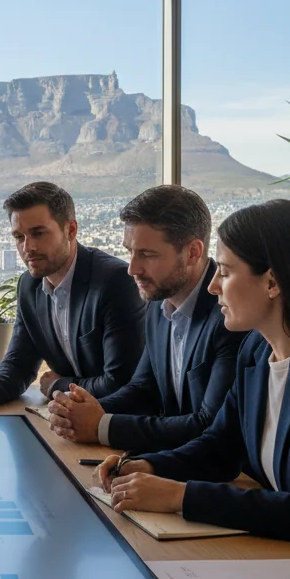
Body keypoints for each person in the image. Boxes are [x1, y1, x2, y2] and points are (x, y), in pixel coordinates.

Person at [99, 199, 290, 566]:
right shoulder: (255, 350)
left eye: (224, 272)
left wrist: (179, 496)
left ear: (272, 282)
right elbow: (220, 447)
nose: (212, 287)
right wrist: (149, 467)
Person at [46, 185, 242, 449]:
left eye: (147, 255)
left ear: (193, 252)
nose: (132, 269)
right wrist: (79, 412)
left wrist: (101, 426)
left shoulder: (231, 316)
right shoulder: (157, 302)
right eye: (130, 252)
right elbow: (143, 389)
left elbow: (209, 424)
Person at [0, 181, 145, 418]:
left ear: (70, 230)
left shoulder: (115, 281)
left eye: (38, 233)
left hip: (119, 422)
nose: (28, 247)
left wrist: (58, 385)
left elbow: (121, 383)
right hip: (66, 421)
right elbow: (19, 363)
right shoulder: (29, 285)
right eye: (19, 237)